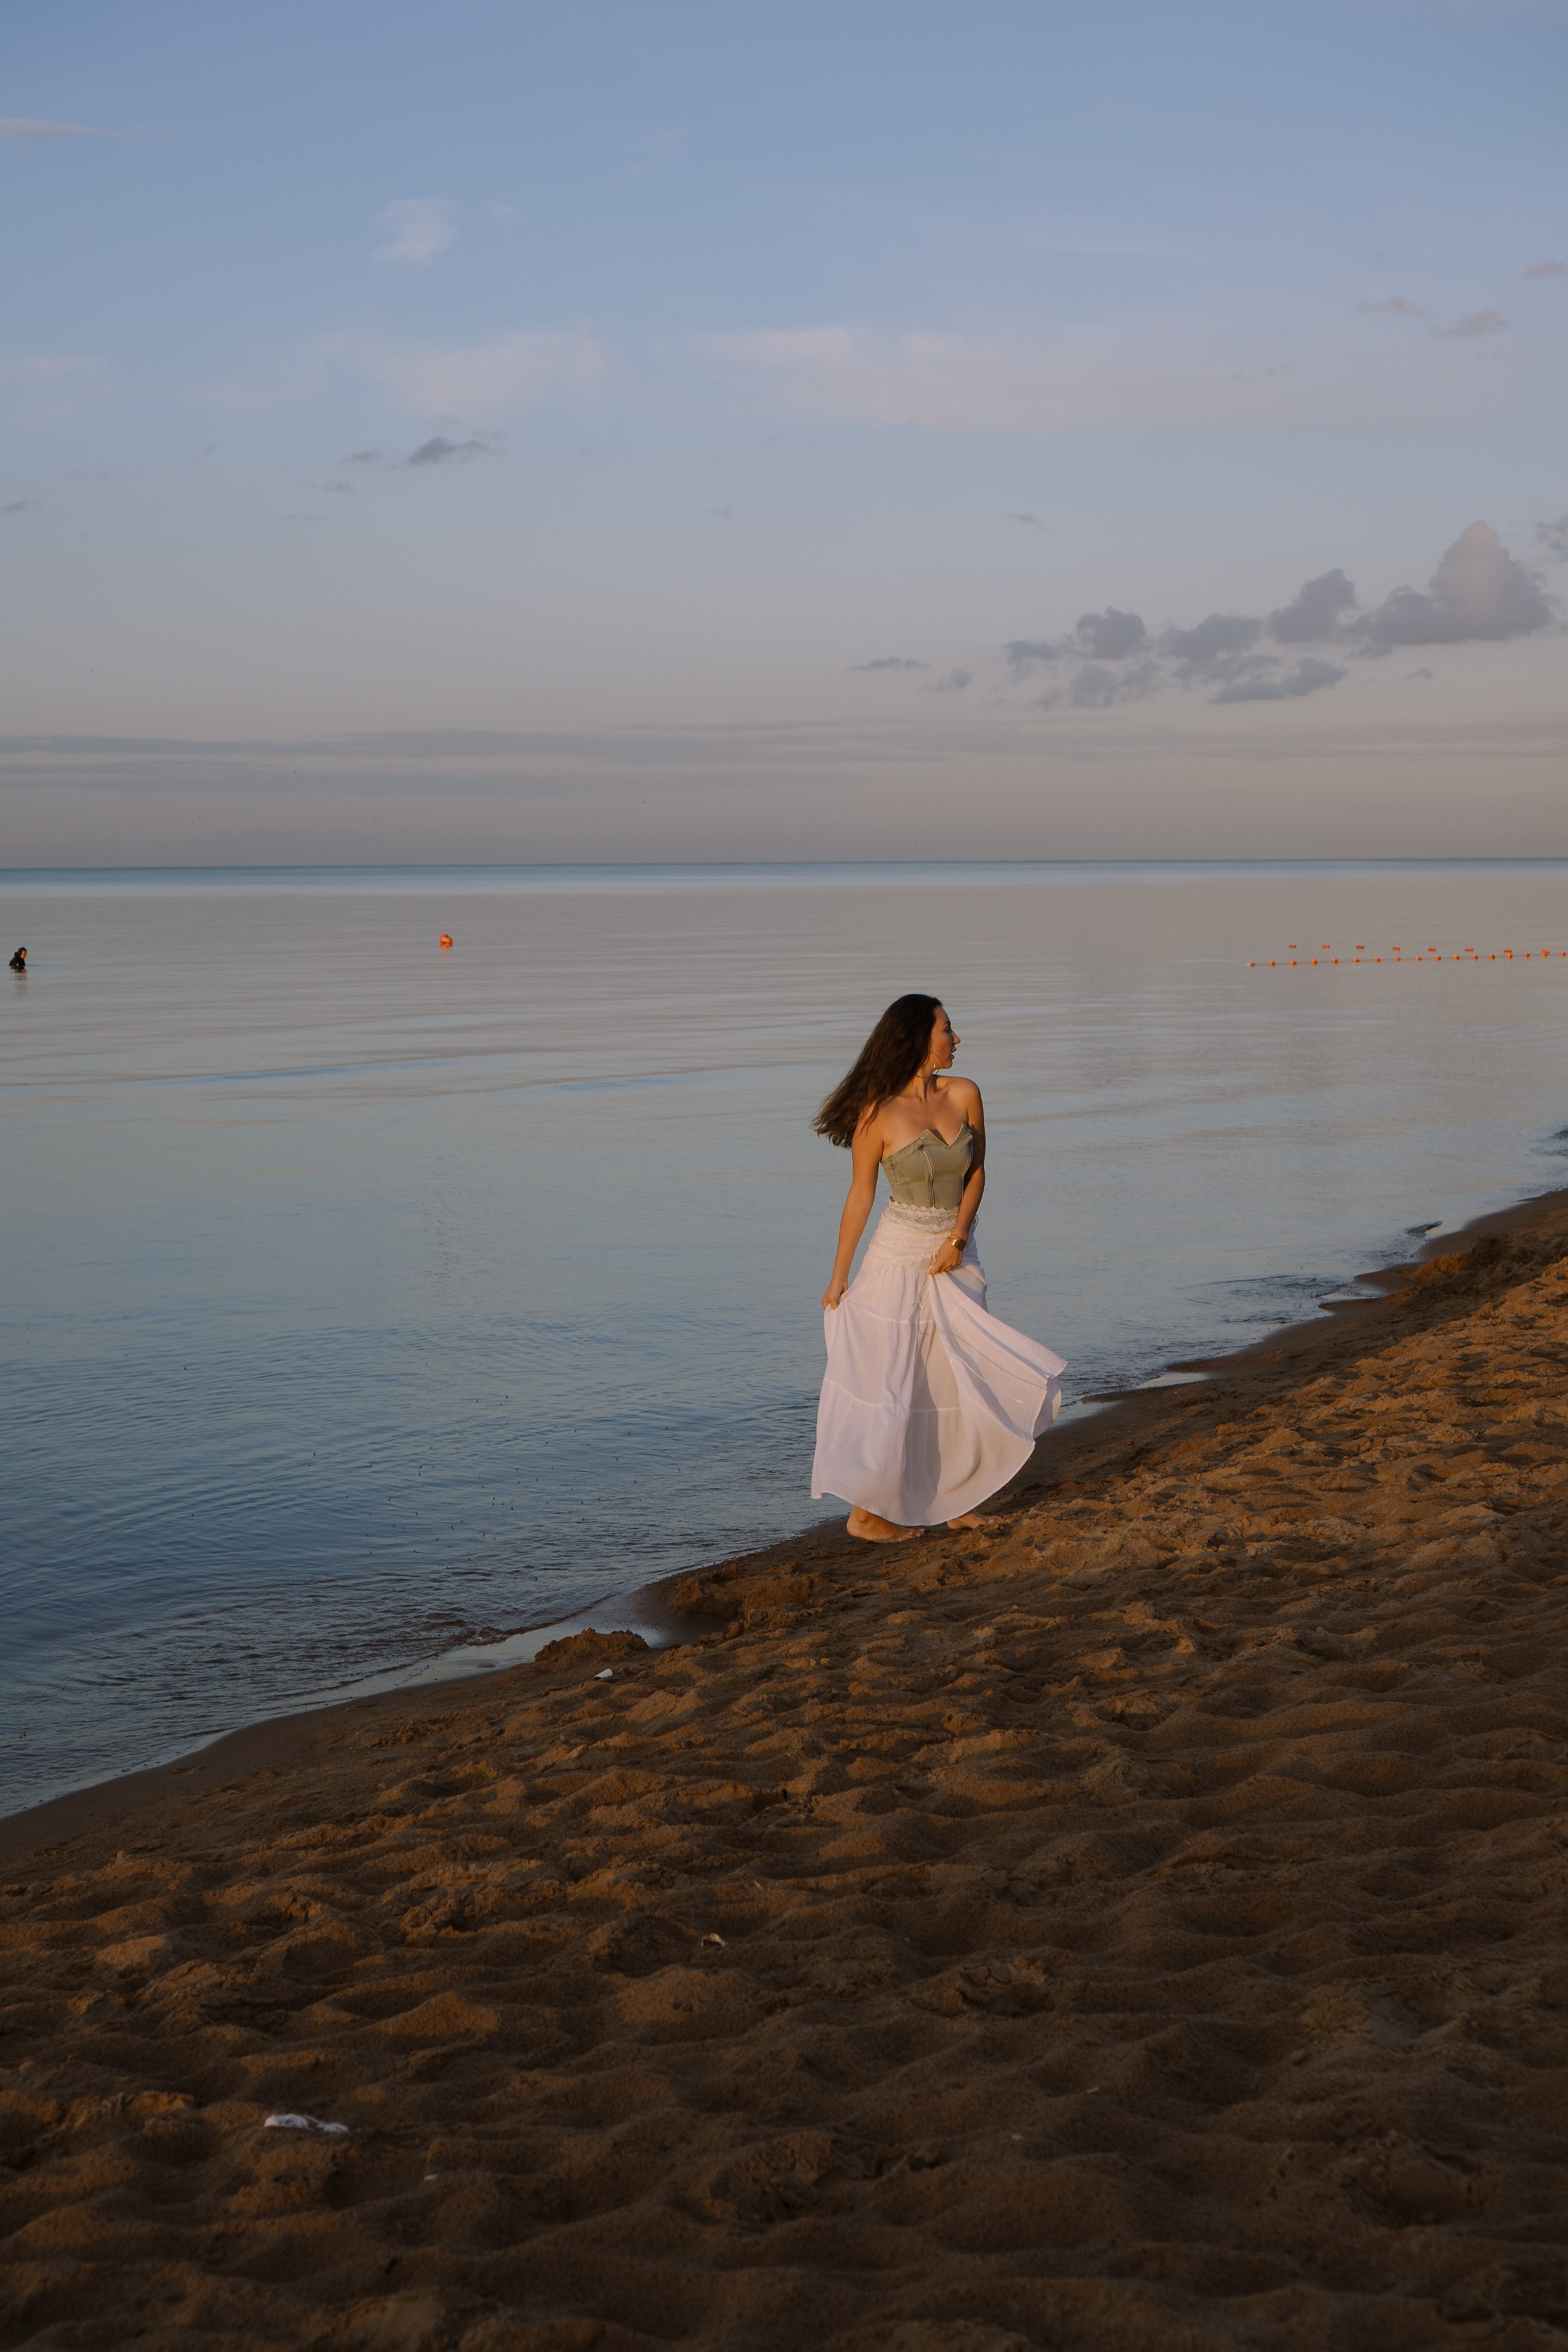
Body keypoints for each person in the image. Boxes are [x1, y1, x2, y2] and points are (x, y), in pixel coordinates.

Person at [812, 992, 1065, 1542]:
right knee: (894, 1378)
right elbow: (860, 1197)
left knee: (958, 1375)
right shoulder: (876, 1114)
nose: (956, 1039)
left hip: (956, 1251)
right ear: (919, 1040)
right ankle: (865, 1513)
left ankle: (960, 1498)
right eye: (948, 1030)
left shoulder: (966, 1093)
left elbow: (977, 1175)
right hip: (899, 1254)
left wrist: (958, 1237)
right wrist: (839, 1274)